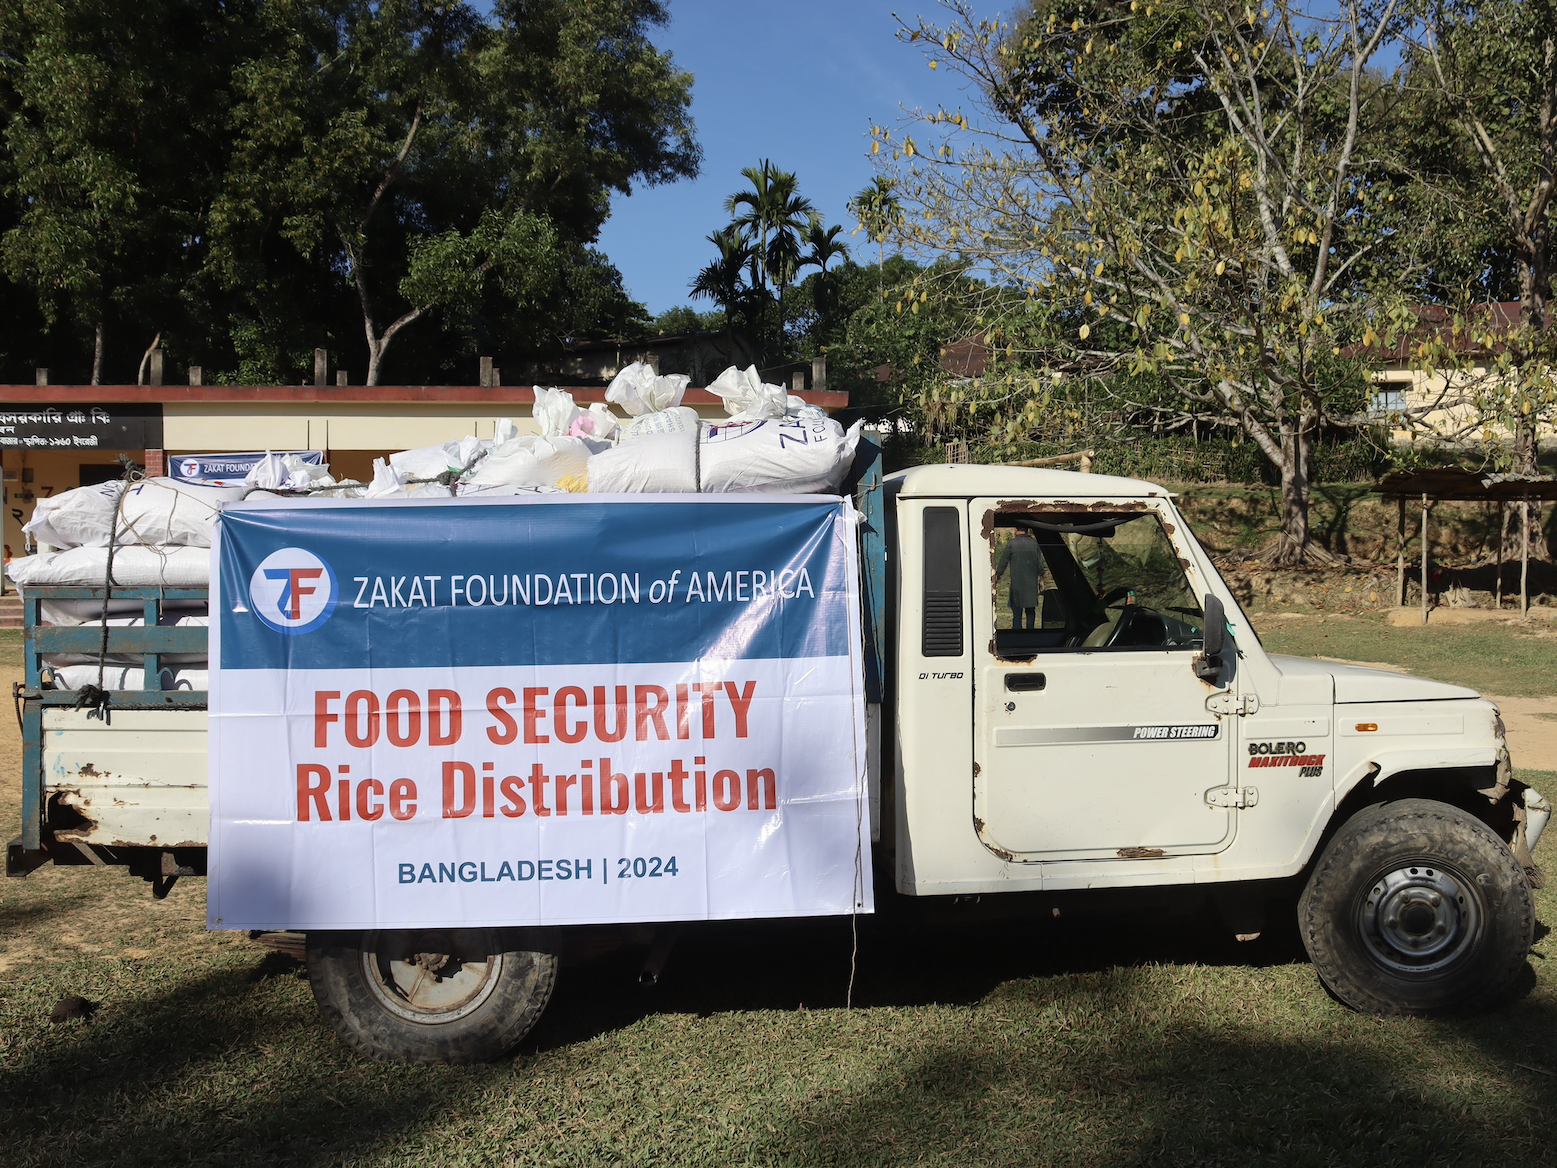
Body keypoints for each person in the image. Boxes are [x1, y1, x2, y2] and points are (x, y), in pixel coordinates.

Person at [996, 529, 1044, 629]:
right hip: (1031, 583)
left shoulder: (1012, 544)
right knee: (1030, 611)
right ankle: (1030, 632)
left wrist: (997, 576)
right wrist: (1041, 579)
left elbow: (1003, 562)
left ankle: (1017, 633)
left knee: (1017, 613)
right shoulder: (1034, 543)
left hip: (1017, 583)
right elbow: (1040, 563)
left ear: (1016, 530)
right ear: (1028, 531)